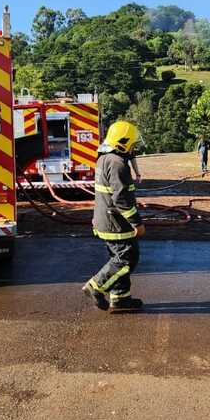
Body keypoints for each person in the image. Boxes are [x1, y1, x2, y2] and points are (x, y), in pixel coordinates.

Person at [83, 121, 145, 312]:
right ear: (123, 142)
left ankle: (120, 299)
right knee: (127, 259)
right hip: (116, 223)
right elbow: (122, 199)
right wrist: (137, 223)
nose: (134, 148)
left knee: (118, 258)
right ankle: (95, 286)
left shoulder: (104, 159)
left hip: (106, 219)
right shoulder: (118, 164)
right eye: (132, 144)